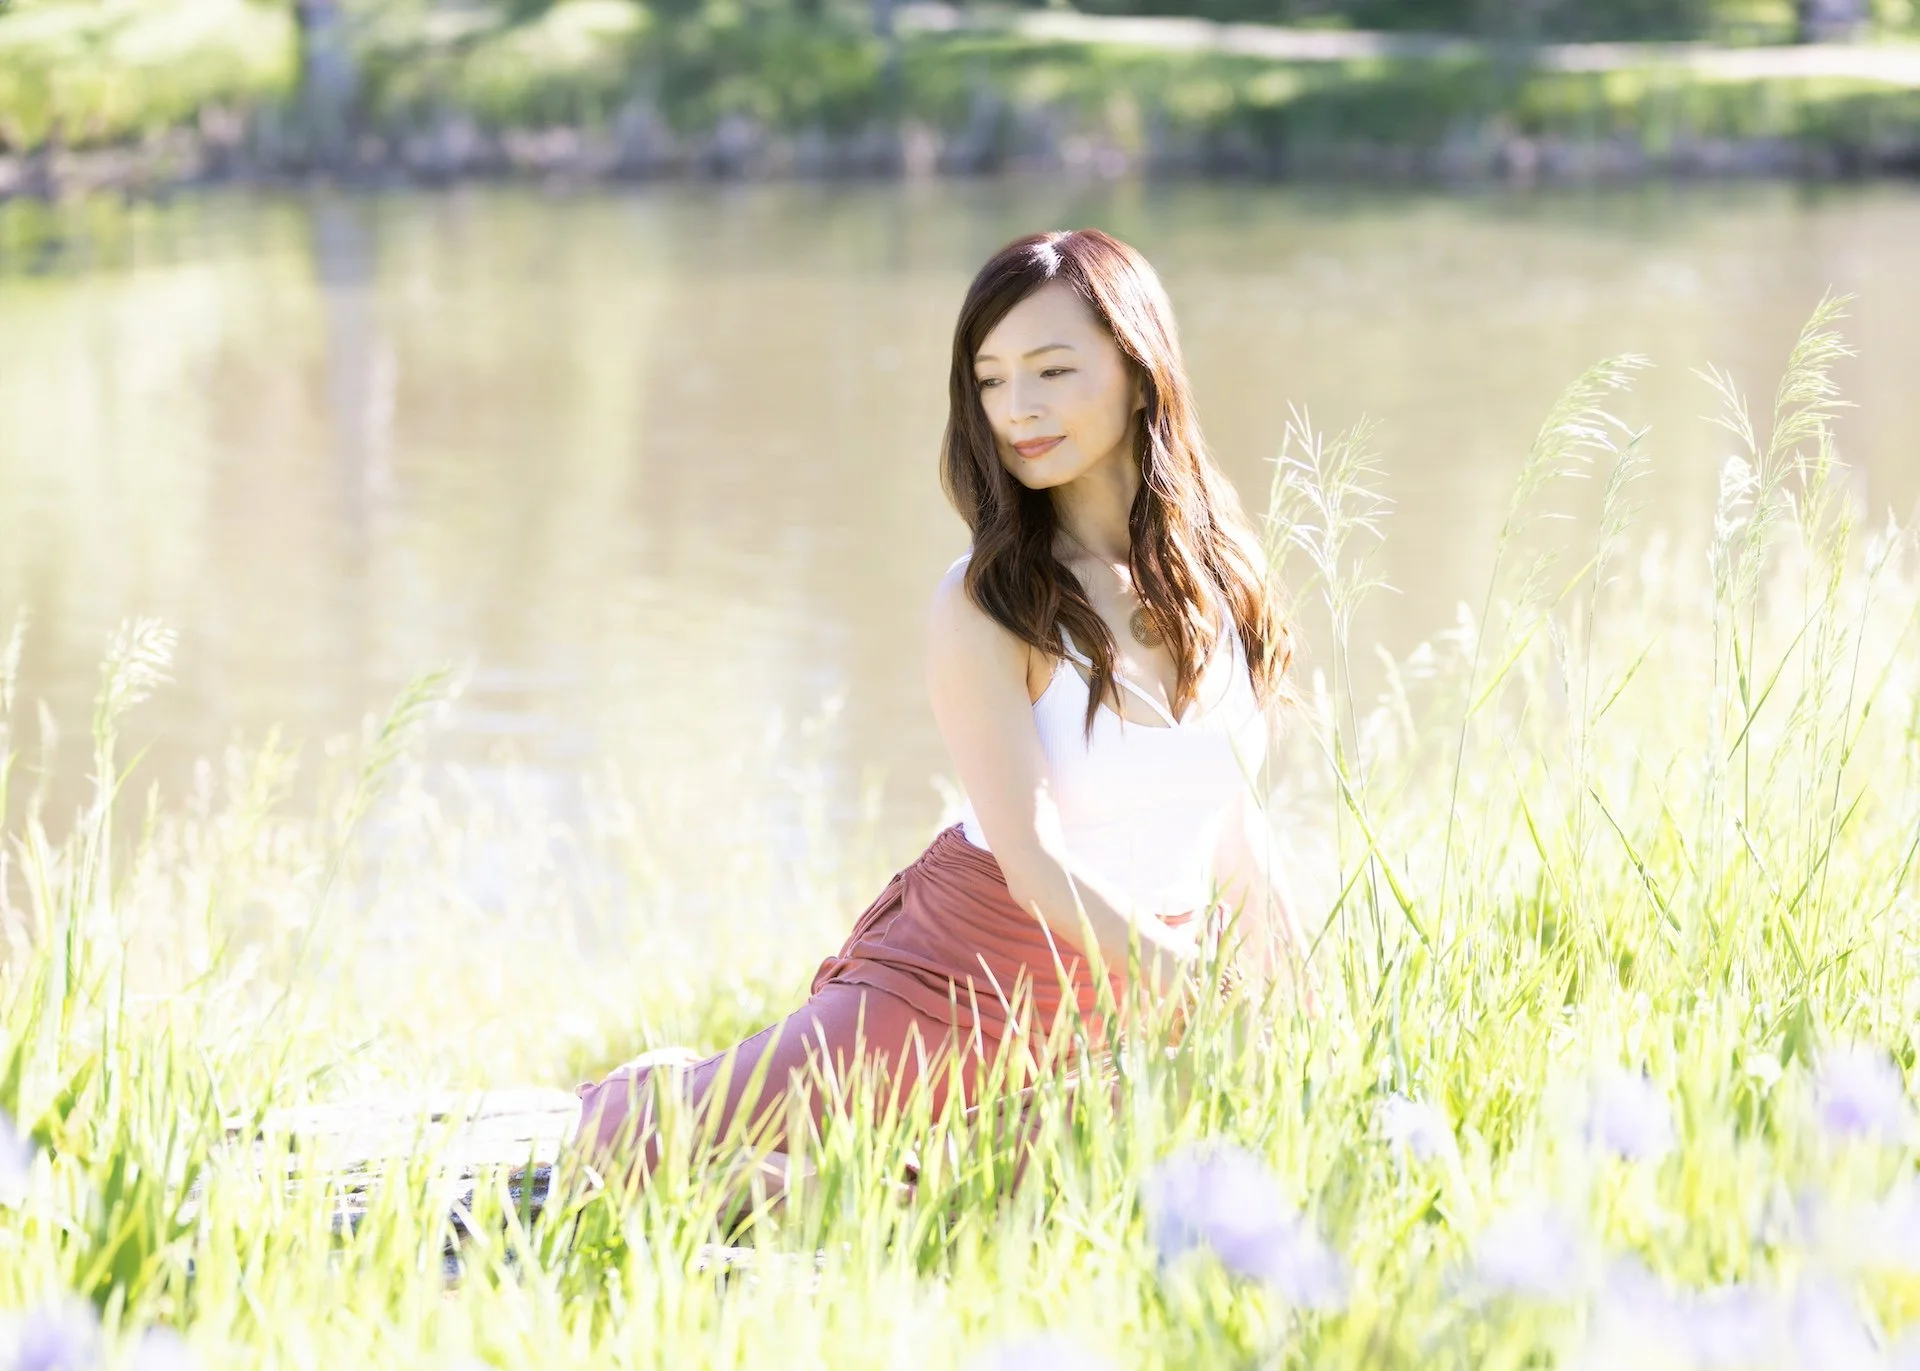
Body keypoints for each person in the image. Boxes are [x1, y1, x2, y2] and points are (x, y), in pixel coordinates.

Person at [572, 227, 1315, 1189]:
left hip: (1138, 987)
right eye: (991, 380)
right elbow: (1033, 861)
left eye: (1052, 370)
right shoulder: (987, 602)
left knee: (1020, 1200)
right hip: (965, 977)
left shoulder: (1224, 574)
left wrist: (1299, 1008)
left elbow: (1236, 825)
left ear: (1140, 373)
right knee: (631, 1152)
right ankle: (678, 1098)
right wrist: (1202, 989)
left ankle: (829, 1191)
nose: (1018, 409)